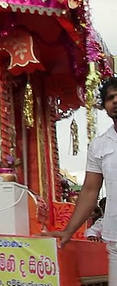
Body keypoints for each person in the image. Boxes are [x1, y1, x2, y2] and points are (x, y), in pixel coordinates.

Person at [45, 77, 117, 284]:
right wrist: (69, 230)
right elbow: (89, 191)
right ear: (104, 106)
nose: (116, 101)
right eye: (110, 98)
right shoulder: (99, 145)